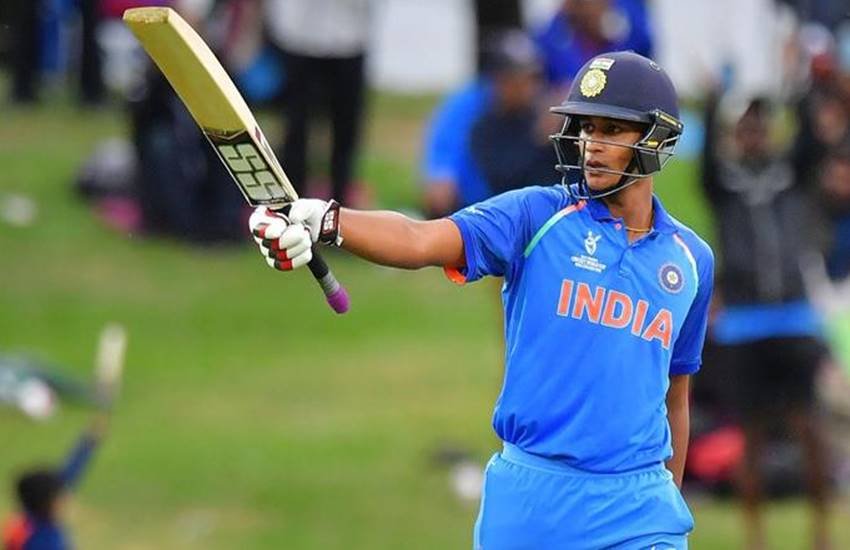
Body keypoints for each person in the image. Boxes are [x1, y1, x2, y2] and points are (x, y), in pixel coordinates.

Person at [248, 51, 713, 548]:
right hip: (532, 499)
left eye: (612, 130)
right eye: (586, 127)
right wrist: (331, 221)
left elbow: (675, 395)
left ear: (655, 138)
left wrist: (669, 502)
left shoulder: (691, 260)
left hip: (640, 507)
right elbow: (419, 239)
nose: (591, 145)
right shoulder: (536, 216)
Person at [701, 92, 832, 550]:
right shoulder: (725, 185)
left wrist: (800, 88)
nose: (754, 134)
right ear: (736, 135)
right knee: (751, 435)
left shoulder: (789, 177)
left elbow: (812, 142)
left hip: (793, 318)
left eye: (761, 126)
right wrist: (714, 99)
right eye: (747, 127)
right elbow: (707, 163)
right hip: (744, 324)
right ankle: (754, 537)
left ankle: (821, 533)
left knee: (810, 429)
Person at [264, 0, 372, 205]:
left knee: (346, 130)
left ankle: (342, 209)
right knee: (296, 130)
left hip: (350, 34)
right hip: (298, 35)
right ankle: (291, 206)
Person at [2, 413, 110, 550]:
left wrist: (89, 441)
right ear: (49, 504)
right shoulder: (45, 542)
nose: (67, 498)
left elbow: (68, 475)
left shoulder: (23, 522)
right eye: (61, 497)